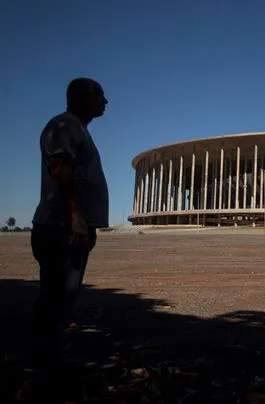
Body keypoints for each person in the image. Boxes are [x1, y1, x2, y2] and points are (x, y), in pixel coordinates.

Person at [29, 77, 109, 390]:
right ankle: (46, 372)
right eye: (101, 96)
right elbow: (60, 167)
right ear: (83, 96)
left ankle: (52, 364)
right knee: (55, 298)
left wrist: (88, 223)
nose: (105, 103)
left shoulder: (78, 128)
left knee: (62, 299)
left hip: (72, 228)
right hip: (60, 228)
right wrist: (76, 216)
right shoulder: (65, 125)